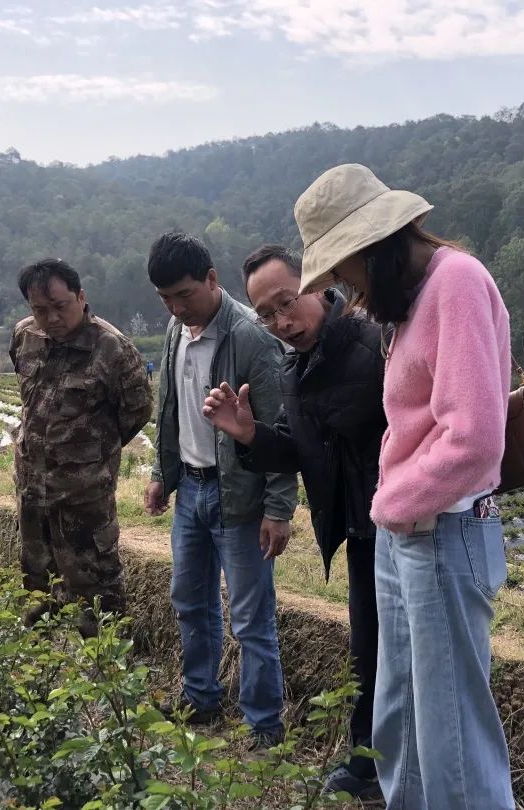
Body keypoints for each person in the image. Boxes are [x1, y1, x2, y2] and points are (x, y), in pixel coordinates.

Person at [294, 164, 515, 809]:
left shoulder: (456, 283)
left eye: (344, 271)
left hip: (443, 533)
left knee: (449, 729)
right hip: (407, 534)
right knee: (401, 713)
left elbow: (472, 437)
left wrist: (390, 501)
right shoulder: (410, 300)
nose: (346, 290)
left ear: (376, 246)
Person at [202, 245, 386, 801]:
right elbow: (306, 450)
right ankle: (368, 765)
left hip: (402, 526)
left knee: (401, 653)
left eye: (288, 303)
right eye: (267, 315)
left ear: (320, 284)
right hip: (360, 531)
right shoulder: (297, 366)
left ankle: (393, 768)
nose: (282, 322)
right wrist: (251, 434)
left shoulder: (372, 343)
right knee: (368, 648)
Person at [143, 232, 297, 750]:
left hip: (240, 498)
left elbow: (278, 430)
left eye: (184, 294)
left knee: (251, 617)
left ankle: (264, 725)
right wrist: (162, 472)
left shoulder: (251, 338)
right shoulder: (174, 330)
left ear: (212, 279)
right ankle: (201, 697)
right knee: (190, 600)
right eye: (165, 298)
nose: (176, 306)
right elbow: (169, 405)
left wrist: (278, 508)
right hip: (191, 489)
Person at [10, 257, 152, 638]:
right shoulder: (26, 338)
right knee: (38, 589)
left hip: (84, 501)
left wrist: (89, 454)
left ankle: (108, 686)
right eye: (40, 310)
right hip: (33, 494)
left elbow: (136, 411)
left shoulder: (113, 350)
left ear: (81, 297)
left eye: (60, 306)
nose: (52, 318)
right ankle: (45, 677)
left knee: (97, 596)